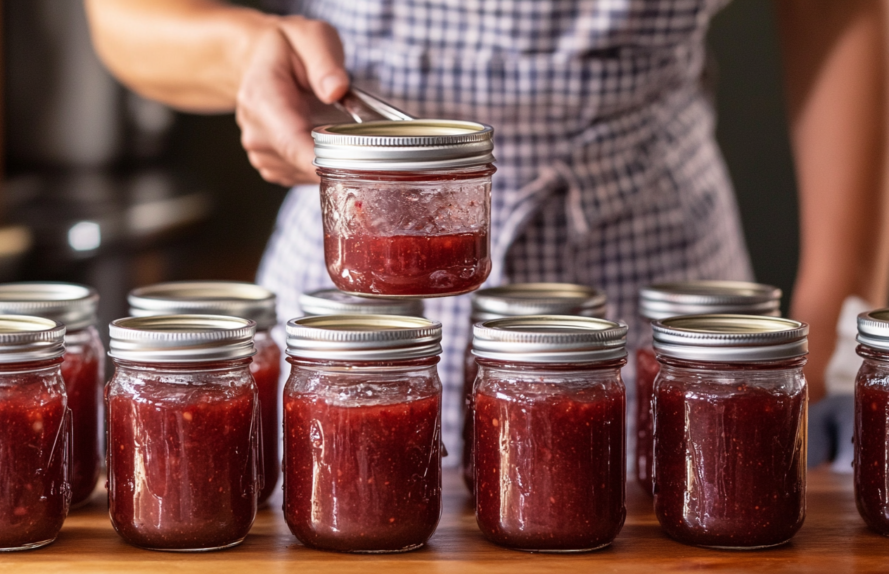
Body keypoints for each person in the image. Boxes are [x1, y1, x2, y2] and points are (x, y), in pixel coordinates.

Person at [86, 0, 889, 466]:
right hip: (356, 279)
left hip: (661, 290)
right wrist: (243, 53)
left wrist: (830, 298)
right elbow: (122, 18)